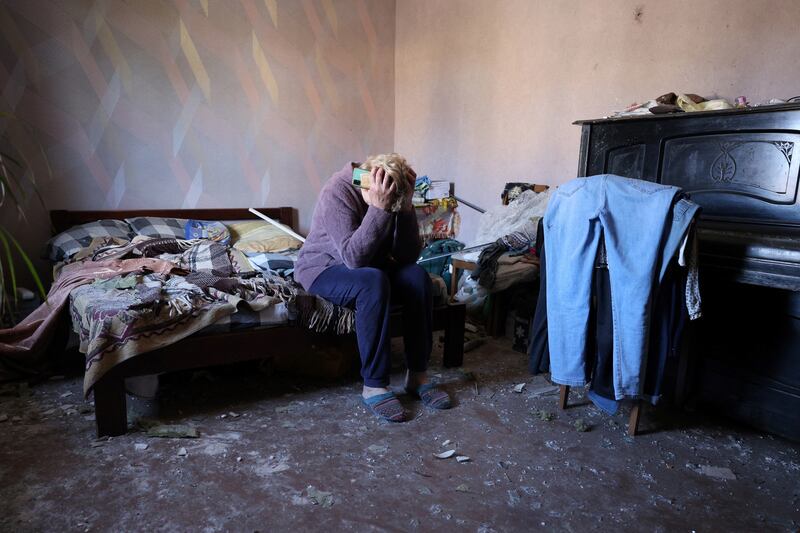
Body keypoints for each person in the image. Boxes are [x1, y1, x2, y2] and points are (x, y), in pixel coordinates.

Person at [294, 154, 452, 422]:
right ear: (368, 184)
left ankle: (417, 375)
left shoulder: (392, 190)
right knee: (372, 282)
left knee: (417, 276)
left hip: (372, 265)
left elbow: (406, 257)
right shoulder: (338, 190)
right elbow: (354, 258)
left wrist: (405, 210)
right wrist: (378, 210)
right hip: (324, 267)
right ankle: (374, 384)